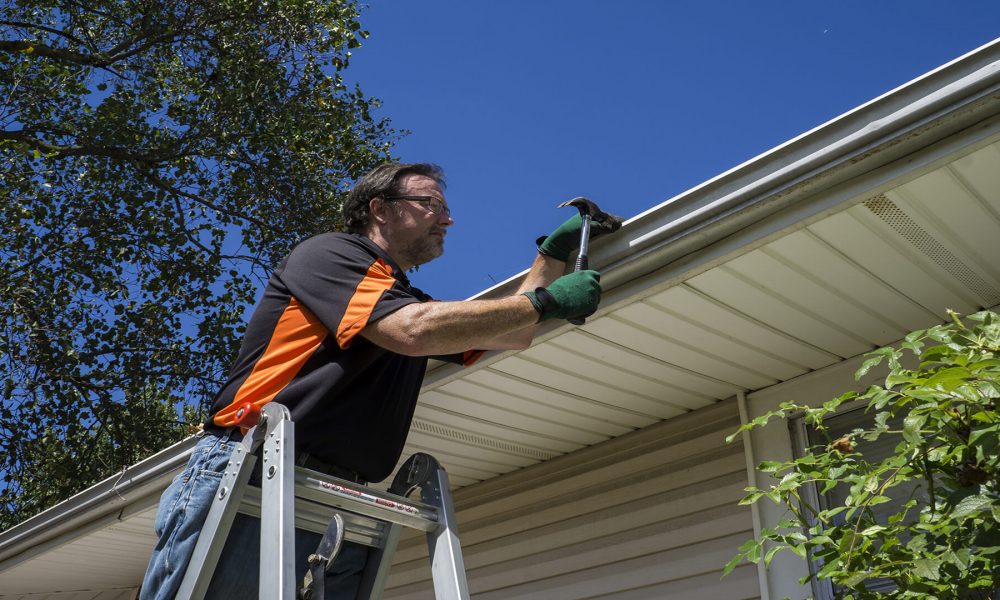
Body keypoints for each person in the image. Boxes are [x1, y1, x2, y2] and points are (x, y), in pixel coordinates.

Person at [139, 162, 610, 599]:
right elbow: (411, 329)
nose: (446, 220)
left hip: (339, 498)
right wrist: (547, 302)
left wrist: (550, 256)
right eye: (432, 205)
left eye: (446, 209)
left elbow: (513, 333)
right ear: (379, 209)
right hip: (254, 471)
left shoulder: (400, 296)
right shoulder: (330, 254)